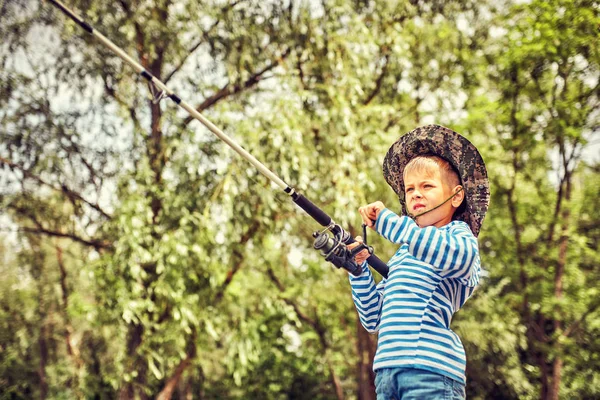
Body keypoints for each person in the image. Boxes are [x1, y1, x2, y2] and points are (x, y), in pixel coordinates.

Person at [348, 125, 490, 400]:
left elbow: (456, 256)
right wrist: (359, 269)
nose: (415, 194)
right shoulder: (404, 255)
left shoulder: (458, 237)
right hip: (387, 374)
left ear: (456, 196)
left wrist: (391, 223)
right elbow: (372, 318)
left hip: (430, 371)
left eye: (427, 186)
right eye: (409, 188)